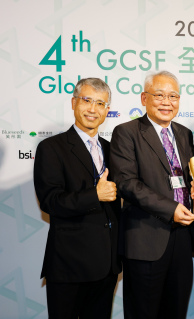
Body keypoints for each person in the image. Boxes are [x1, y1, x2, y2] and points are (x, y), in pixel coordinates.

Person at [110, 71, 194, 319]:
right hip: (145, 238)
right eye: (159, 95)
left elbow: (184, 177)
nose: (166, 102)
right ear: (144, 98)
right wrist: (170, 208)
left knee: (176, 310)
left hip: (182, 237)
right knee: (143, 312)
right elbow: (126, 183)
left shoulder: (184, 134)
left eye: (173, 96)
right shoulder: (126, 132)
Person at [33, 78, 121, 319]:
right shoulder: (52, 148)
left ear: (107, 111)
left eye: (100, 103)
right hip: (69, 266)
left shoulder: (112, 148)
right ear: (74, 103)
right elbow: (50, 201)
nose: (93, 109)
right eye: (87, 100)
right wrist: (95, 195)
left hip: (107, 265)